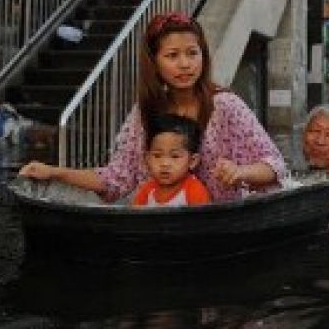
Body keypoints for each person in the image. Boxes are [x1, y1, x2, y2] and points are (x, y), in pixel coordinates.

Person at [19, 12, 286, 202]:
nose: (185, 64)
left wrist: (241, 172)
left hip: (223, 225)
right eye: (172, 55)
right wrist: (54, 172)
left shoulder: (226, 105)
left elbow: (275, 166)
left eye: (193, 53)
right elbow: (116, 179)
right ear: (154, 62)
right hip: (167, 229)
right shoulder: (144, 113)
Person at [132, 114, 211, 207]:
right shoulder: (146, 191)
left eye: (175, 156)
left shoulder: (195, 191)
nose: (165, 164)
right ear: (147, 159)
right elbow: (135, 219)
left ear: (192, 161)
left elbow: (203, 220)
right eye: (157, 155)